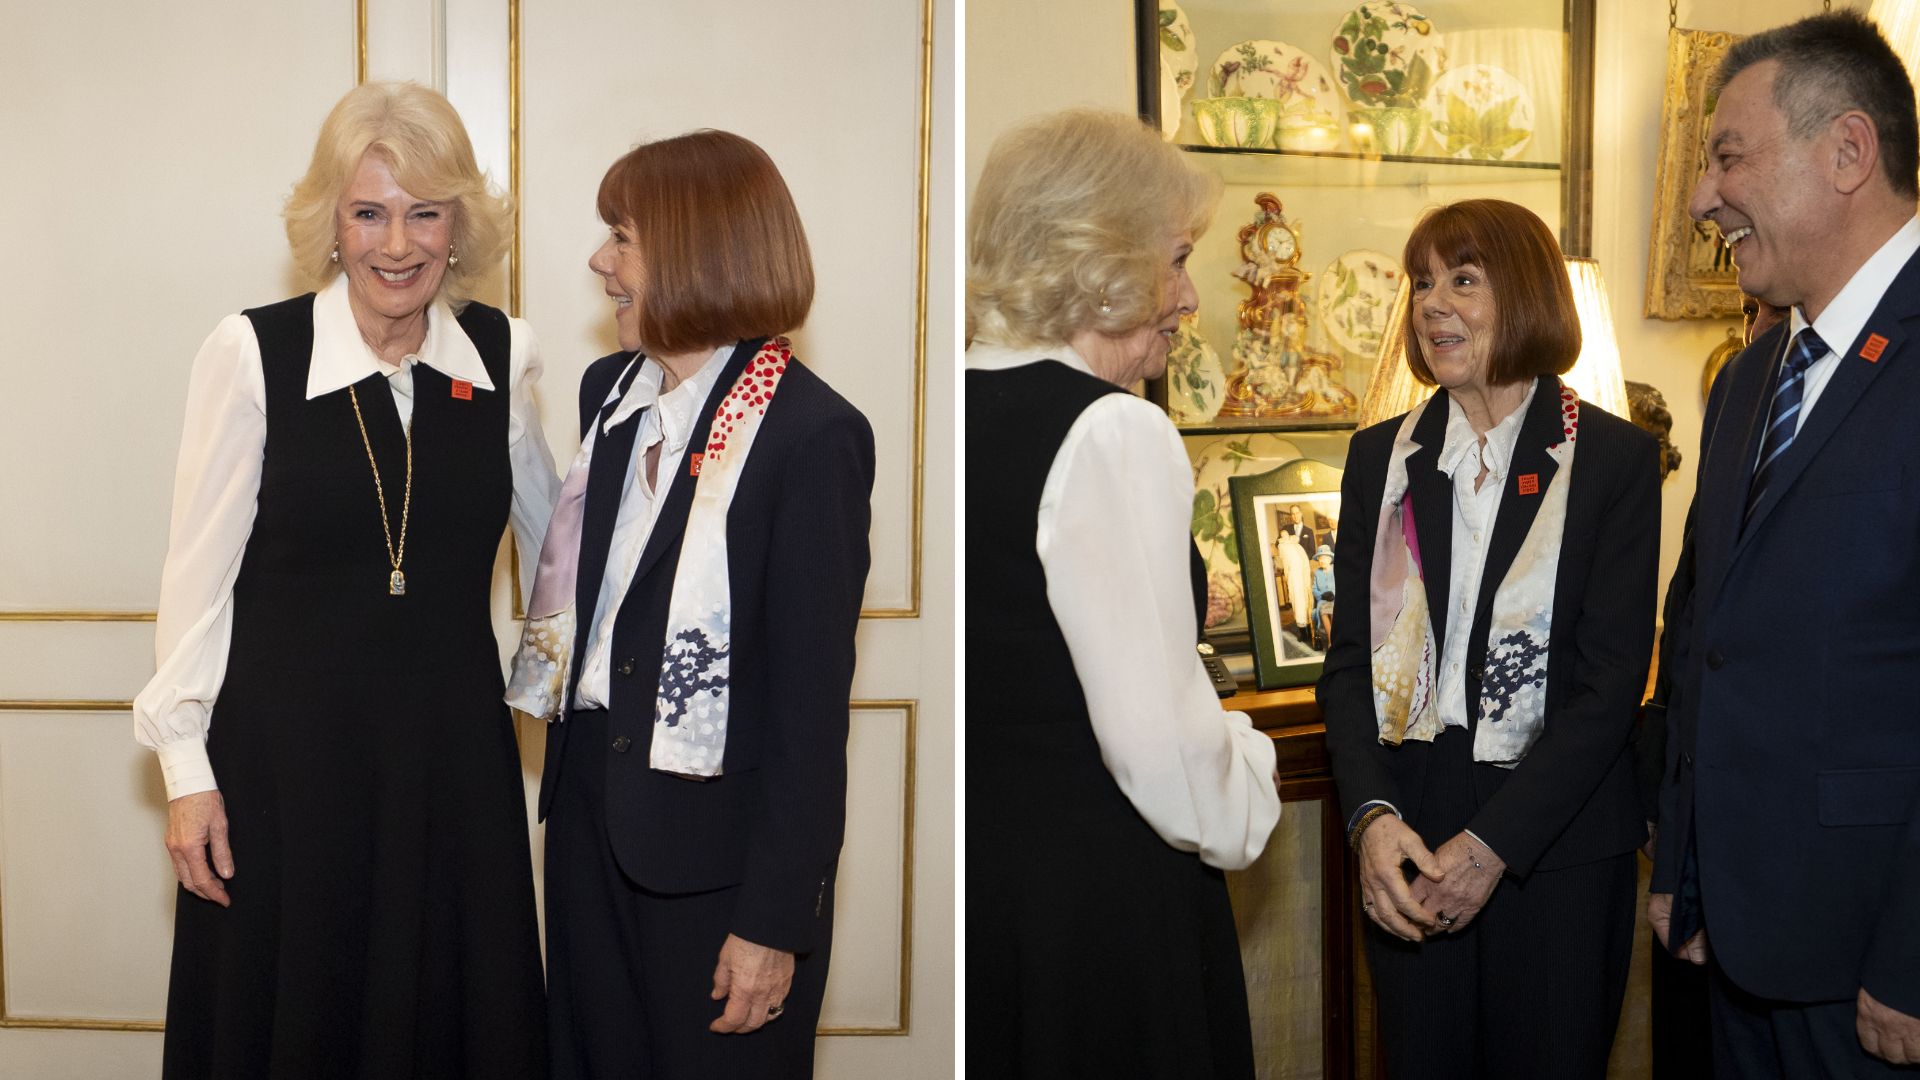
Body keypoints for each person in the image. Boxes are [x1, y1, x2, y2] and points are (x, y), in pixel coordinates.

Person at [134, 81, 557, 1078]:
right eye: (369, 211)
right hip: (286, 772)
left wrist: (560, 714)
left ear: (459, 225)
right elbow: (195, 579)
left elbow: (554, 567)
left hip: (454, 770)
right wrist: (186, 776)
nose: (397, 243)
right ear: (332, 219)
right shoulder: (252, 353)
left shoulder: (507, 354)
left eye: (424, 212)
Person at [511, 129, 873, 1079]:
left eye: (621, 238)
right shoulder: (608, 394)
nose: (600, 263)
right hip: (591, 830)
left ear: (698, 253)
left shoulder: (811, 436)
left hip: (720, 875)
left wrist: (774, 924)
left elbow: (807, 713)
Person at [965, 107, 1282, 1079]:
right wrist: (1249, 770)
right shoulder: (1112, 430)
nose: (1190, 296)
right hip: (1102, 914)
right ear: (1100, 256)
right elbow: (1160, 747)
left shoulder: (953, 402)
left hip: (989, 900)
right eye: (1178, 257)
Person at [1319, 198, 1660, 1079]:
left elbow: (1611, 683)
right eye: (1422, 283)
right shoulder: (1378, 460)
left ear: (1529, 294)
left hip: (1557, 846)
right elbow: (1350, 667)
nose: (1433, 304)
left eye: (1463, 281)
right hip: (1410, 835)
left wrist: (1493, 845)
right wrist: (1370, 820)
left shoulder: (1615, 460)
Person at [1650, 10, 1920, 1073]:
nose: (1700, 196)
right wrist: (1686, 862)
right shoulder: (1754, 374)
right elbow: (1705, 624)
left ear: (1848, 152)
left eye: (1728, 155)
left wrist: (1912, 961)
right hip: (1738, 944)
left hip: (1873, 969)